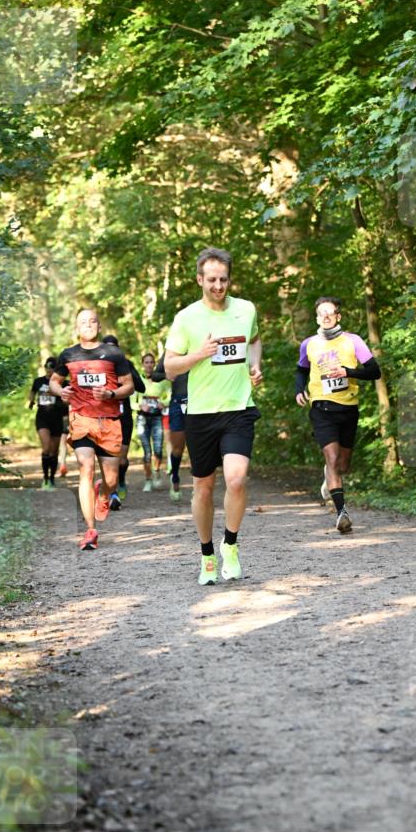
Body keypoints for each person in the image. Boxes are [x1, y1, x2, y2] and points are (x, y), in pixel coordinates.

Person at [164, 246, 262, 585]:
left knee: (236, 479)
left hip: (238, 408)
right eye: (211, 280)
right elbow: (169, 367)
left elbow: (254, 340)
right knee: (203, 489)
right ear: (199, 280)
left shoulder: (246, 309)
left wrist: (255, 364)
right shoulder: (186, 318)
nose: (218, 286)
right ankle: (207, 554)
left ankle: (230, 545)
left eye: (223, 280)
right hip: (201, 413)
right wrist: (199, 354)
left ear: (229, 279)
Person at [48, 309, 135, 550]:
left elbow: (129, 386)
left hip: (109, 420)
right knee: (85, 468)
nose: (88, 325)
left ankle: (104, 494)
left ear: (99, 326)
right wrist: (61, 391)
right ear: (77, 327)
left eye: (92, 321)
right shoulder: (68, 354)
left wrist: (111, 394)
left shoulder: (114, 354)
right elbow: (54, 381)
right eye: (83, 322)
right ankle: (90, 530)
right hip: (81, 418)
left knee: (111, 479)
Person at [295, 296, 381, 533]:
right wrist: (299, 390)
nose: (325, 316)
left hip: (348, 408)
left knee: (342, 465)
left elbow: (374, 371)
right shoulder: (308, 344)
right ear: (317, 318)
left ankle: (329, 475)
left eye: (330, 312)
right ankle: (342, 513)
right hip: (321, 408)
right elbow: (301, 370)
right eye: (321, 313)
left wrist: (348, 372)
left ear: (337, 316)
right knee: (332, 459)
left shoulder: (353, 341)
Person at [101, 334, 145, 508]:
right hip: (105, 415)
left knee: (121, 459)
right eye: (107, 347)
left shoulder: (126, 364)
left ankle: (120, 481)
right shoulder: (98, 366)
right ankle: (111, 493)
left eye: (114, 348)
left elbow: (141, 387)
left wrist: (127, 369)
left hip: (124, 415)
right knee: (108, 457)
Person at [153, 355, 188, 503]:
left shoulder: (202, 347)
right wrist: (166, 375)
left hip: (199, 401)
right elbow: (155, 375)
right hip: (177, 402)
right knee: (178, 448)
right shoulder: (173, 350)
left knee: (198, 445)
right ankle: (175, 476)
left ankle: (199, 486)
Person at [28, 357, 67, 490]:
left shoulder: (63, 383)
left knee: (54, 451)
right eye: (47, 367)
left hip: (57, 418)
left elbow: (68, 401)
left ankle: (52, 479)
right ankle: (45, 479)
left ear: (56, 369)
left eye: (52, 368)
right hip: (42, 417)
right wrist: (31, 401)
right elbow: (32, 392)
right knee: (46, 447)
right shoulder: (38, 381)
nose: (49, 370)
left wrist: (56, 394)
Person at [136, 352, 170, 492]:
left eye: (151, 362)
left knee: (158, 450)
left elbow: (170, 395)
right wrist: (139, 405)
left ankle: (156, 471)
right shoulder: (138, 379)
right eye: (146, 362)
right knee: (147, 452)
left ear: (154, 364)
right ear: (142, 364)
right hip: (142, 419)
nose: (149, 365)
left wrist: (164, 403)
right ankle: (148, 480)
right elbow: (132, 401)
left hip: (157, 417)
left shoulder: (162, 380)